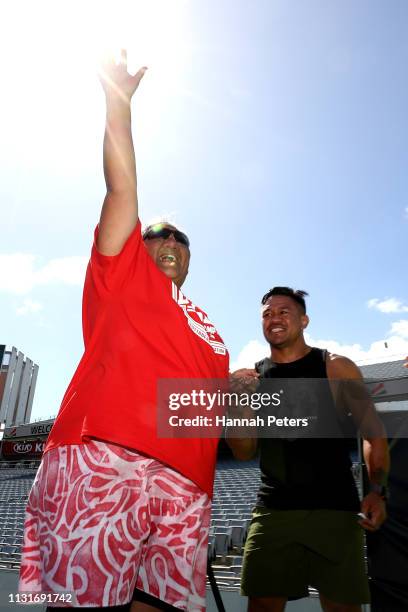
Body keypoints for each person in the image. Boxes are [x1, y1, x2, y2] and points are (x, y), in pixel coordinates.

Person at [19, 51, 229, 612]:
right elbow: (122, 192)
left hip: (187, 485)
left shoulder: (210, 327)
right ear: (139, 242)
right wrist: (119, 105)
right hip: (102, 461)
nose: (168, 242)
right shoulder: (121, 270)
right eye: (157, 233)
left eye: (180, 240)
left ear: (189, 259)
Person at [228, 286, 389, 612]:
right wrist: (237, 404)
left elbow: (373, 433)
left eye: (283, 311)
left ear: (304, 320)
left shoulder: (336, 369)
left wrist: (377, 490)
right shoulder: (251, 379)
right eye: (267, 314)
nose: (274, 318)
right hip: (273, 511)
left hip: (336, 511)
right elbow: (244, 452)